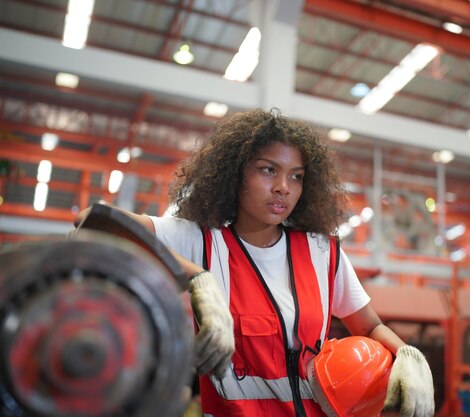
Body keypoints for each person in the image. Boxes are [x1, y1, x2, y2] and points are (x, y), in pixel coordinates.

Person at [75, 109, 434, 417]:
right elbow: (92, 220)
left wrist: (406, 353)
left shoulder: (322, 252)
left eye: (296, 176)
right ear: (236, 174)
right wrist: (197, 277)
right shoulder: (202, 241)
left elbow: (369, 326)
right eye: (268, 170)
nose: (283, 187)